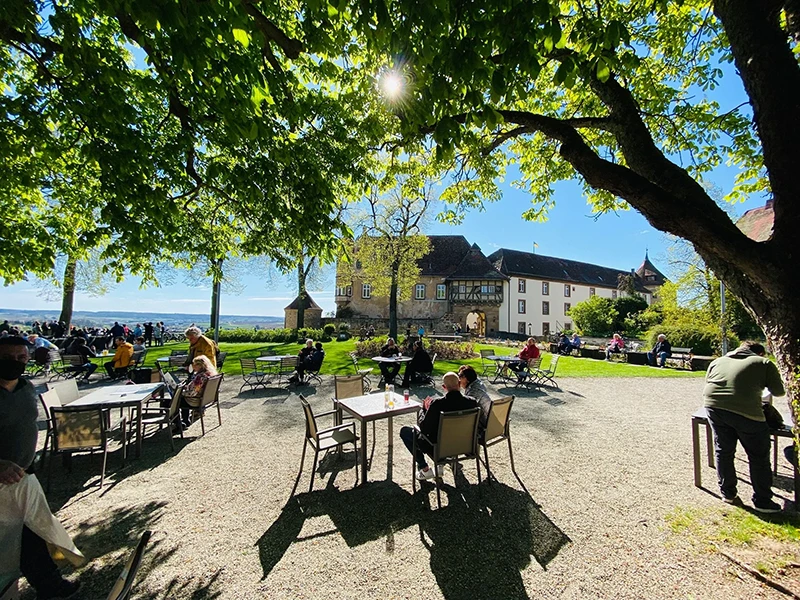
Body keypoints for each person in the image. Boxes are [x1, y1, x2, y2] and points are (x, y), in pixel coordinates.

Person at [0, 336, 82, 598]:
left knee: (34, 532)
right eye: (7, 358)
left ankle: (51, 586)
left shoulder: (26, 388)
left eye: (21, 358)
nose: (15, 364)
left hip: (24, 476)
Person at [703, 341, 785, 513]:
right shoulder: (763, 363)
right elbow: (778, 392)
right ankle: (762, 500)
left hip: (714, 407)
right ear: (760, 353)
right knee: (758, 456)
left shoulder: (718, 361)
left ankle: (728, 493)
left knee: (723, 451)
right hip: (746, 412)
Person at [399, 372, 478, 480]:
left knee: (405, 432)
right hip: (464, 445)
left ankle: (424, 468)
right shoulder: (472, 403)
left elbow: (423, 428)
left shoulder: (437, 404)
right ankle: (445, 461)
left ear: (444, 387)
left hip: (439, 447)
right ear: (459, 384)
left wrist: (424, 410)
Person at [179, 355, 218, 429]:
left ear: (200, 365)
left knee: (173, 402)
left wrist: (180, 393)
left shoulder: (200, 377)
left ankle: (179, 423)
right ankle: (185, 420)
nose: (193, 367)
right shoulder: (210, 374)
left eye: (194, 365)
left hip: (195, 401)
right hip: (205, 400)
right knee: (181, 399)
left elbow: (192, 393)